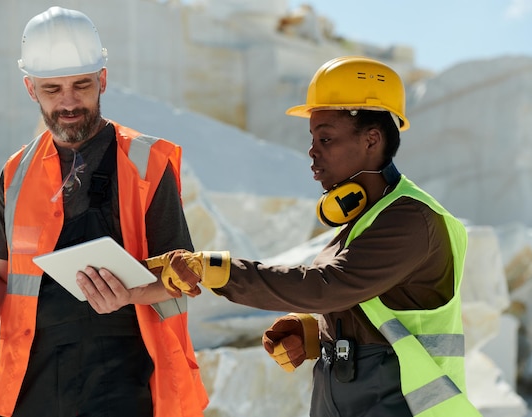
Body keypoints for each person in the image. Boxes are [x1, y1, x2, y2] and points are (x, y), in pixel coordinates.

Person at [149, 56, 482, 416]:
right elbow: (373, 304)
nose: (312, 150)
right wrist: (314, 332)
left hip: (401, 403)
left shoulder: (411, 219)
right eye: (312, 137)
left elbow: (326, 285)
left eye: (326, 137)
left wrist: (215, 269)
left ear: (372, 140)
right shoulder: (364, 219)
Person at [0, 7, 207, 417]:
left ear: (103, 80)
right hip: (34, 383)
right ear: (30, 88)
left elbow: (184, 276)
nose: (68, 102)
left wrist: (131, 293)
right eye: (52, 89)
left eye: (82, 85)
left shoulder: (147, 163)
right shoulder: (15, 173)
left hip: (128, 381)